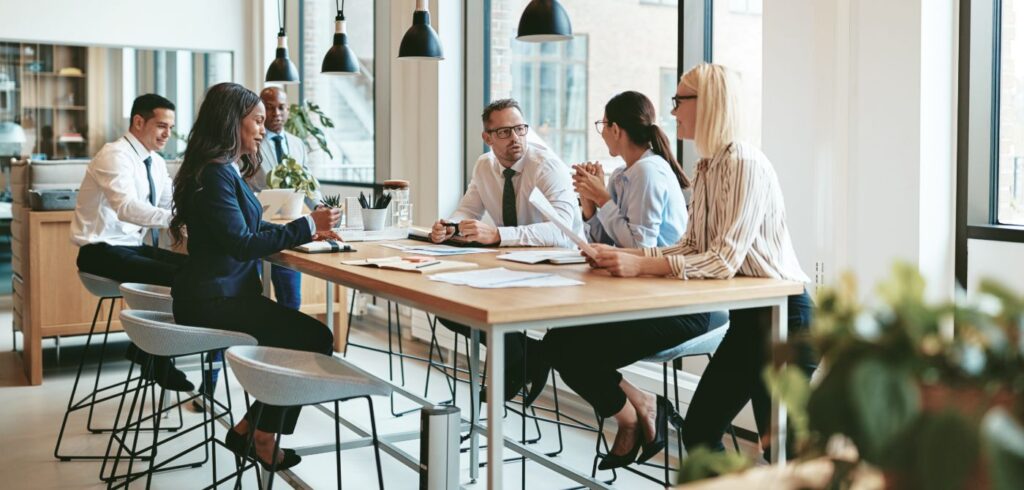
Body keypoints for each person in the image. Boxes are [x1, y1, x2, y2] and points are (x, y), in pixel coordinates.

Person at [549, 64, 815, 467]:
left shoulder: (743, 162)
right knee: (701, 431)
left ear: (707, 104)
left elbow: (722, 260)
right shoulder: (708, 166)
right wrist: (629, 256)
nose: (672, 113)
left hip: (785, 320)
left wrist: (638, 265)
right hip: (750, 320)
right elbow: (690, 246)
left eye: (679, 101)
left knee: (781, 449)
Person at [169, 82, 341, 470]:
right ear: (233, 123)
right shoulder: (216, 174)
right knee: (313, 337)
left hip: (220, 293)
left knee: (303, 337)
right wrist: (306, 225)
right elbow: (242, 243)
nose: (264, 129)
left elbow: (249, 229)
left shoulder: (221, 170)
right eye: (258, 121)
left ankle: (252, 429)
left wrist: (308, 229)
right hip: (213, 300)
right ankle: (261, 434)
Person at [429, 98, 582, 406]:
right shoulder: (484, 166)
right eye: (504, 132)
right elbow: (467, 209)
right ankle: (529, 355)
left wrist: (498, 234)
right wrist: (448, 227)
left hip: (560, 268)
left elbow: (563, 231)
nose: (516, 138)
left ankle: (516, 360)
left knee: (477, 309)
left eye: (521, 129)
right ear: (487, 138)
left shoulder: (546, 166)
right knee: (447, 306)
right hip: (511, 265)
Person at [71, 93, 191, 391]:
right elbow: (127, 208)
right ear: (139, 121)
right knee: (180, 277)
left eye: (170, 127)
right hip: (98, 251)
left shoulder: (158, 163)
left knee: (197, 269)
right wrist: (178, 222)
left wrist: (196, 223)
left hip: (130, 248)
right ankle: (156, 353)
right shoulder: (114, 155)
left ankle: (147, 349)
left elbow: (170, 206)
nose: (167, 134)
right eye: (161, 126)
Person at [573, 90, 689, 249]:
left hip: (662, 271)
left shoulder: (647, 172)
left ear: (615, 130)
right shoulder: (620, 176)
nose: (602, 134)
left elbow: (641, 248)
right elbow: (604, 244)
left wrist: (602, 198)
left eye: (603, 125)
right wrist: (589, 203)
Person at [246, 86, 321, 311]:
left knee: (290, 300)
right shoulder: (251, 141)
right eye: (270, 108)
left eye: (281, 107)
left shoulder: (297, 143)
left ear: (288, 110)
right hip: (257, 228)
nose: (276, 113)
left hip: (290, 228)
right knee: (252, 295)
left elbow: (307, 182)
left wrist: (320, 208)